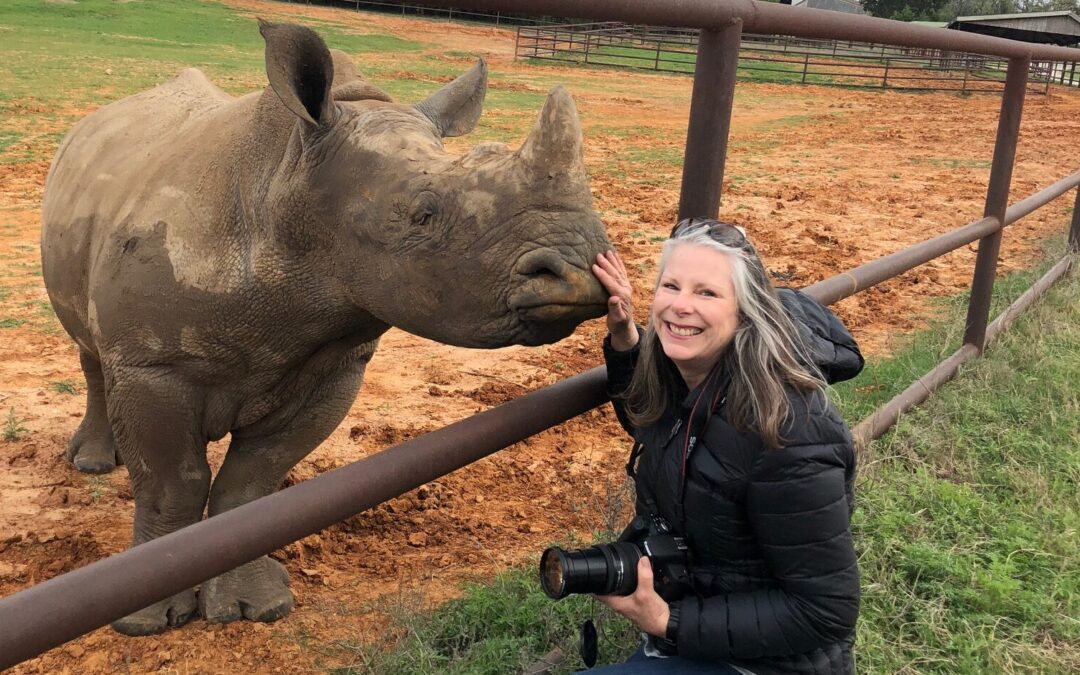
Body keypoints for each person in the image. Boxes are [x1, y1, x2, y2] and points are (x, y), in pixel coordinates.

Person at [587, 218, 863, 674]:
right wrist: (625, 337)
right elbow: (653, 426)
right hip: (694, 641)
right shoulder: (696, 378)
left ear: (745, 310)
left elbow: (825, 612)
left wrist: (665, 620)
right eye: (670, 286)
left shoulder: (790, 429)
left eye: (706, 293)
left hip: (770, 666)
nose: (680, 306)